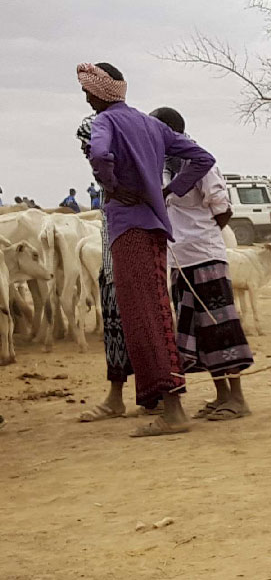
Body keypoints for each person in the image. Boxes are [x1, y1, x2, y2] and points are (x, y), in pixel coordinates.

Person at [80, 60, 216, 437]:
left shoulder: (105, 123)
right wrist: (168, 191)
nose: (86, 98)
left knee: (144, 317)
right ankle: (165, 403)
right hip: (155, 226)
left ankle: (173, 410)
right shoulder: (152, 124)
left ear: (99, 92)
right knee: (154, 310)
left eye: (88, 91)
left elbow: (99, 155)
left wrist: (110, 186)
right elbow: (203, 158)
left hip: (128, 227)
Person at [151, 107, 253, 420]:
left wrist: (201, 235)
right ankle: (221, 395)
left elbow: (223, 209)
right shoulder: (163, 167)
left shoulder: (200, 162)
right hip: (179, 259)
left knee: (220, 325)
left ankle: (237, 398)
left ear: (168, 132)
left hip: (205, 255)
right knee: (199, 330)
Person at [73, 115, 138, 424]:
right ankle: (130, 397)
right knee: (119, 330)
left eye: (89, 145)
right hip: (114, 263)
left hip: (125, 266)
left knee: (129, 329)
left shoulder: (120, 179)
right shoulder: (108, 183)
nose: (87, 152)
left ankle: (120, 399)